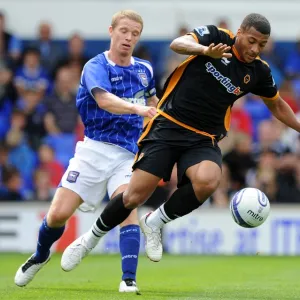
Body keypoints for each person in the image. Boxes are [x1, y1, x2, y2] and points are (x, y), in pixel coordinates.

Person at [61, 13, 300, 266]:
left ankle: (155, 222)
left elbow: (277, 105)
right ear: (240, 32)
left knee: (209, 180)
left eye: (261, 45)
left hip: (203, 137)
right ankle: (90, 239)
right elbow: (177, 44)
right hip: (169, 125)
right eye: (251, 41)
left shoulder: (259, 71)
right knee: (133, 197)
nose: (255, 49)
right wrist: (205, 51)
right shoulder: (217, 37)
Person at [14, 10, 158, 293]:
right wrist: (137, 108)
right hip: (93, 151)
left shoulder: (145, 70)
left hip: (128, 154)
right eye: (124, 31)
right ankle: (41, 256)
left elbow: (155, 103)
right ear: (111, 31)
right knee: (57, 215)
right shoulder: (95, 66)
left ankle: (128, 279)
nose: (129, 38)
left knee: (128, 206)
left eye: (135, 33)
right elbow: (104, 100)